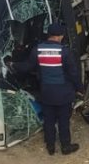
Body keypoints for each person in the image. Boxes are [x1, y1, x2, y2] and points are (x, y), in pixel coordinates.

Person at [12, 23, 81, 156]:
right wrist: (79, 88)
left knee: (49, 120)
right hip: (64, 94)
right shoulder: (64, 52)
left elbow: (28, 67)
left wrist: (13, 65)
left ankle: (50, 146)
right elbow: (73, 74)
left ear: (49, 35)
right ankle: (66, 146)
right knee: (63, 120)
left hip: (47, 93)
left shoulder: (38, 50)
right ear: (60, 36)